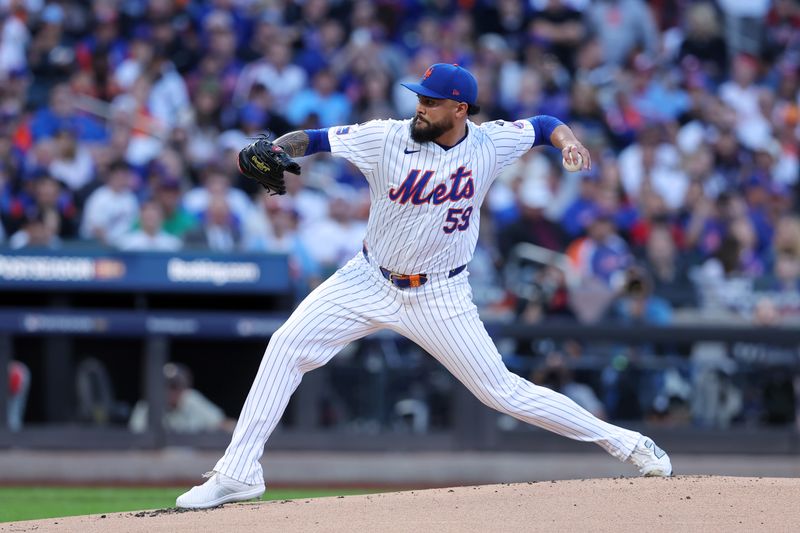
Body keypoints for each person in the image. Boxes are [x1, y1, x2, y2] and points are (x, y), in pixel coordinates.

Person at [177, 63, 672, 509]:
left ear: (460, 109)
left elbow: (543, 126)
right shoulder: (385, 137)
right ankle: (238, 473)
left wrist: (569, 142)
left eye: (432, 101)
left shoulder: (488, 143)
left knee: (502, 392)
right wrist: (279, 147)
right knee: (285, 345)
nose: (420, 106)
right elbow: (317, 138)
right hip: (368, 278)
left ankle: (626, 443)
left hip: (441, 295)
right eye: (419, 97)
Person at [129, 363, 235, 434]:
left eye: (174, 386)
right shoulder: (146, 405)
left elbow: (223, 423)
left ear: (184, 388)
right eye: (164, 385)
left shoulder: (192, 400)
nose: (169, 391)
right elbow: (134, 438)